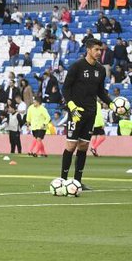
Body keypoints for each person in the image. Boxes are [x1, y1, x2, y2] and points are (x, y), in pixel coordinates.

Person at [60, 37, 111, 189]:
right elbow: (66, 88)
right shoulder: (77, 66)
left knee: (83, 146)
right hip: (76, 112)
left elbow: (101, 92)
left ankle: (77, 181)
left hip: (91, 113)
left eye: (100, 50)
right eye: (96, 49)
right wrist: (71, 105)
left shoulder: (101, 70)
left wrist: (112, 104)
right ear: (88, 50)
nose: (99, 52)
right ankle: (63, 180)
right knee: (71, 145)